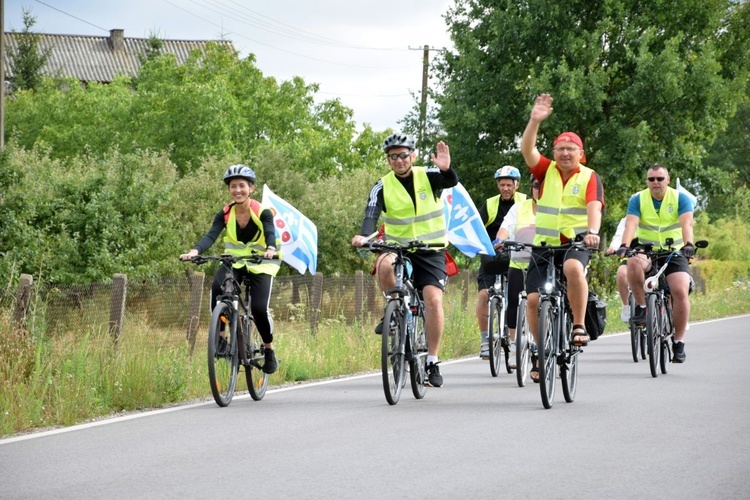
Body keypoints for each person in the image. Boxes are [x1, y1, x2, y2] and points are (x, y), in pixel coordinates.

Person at [351, 133, 457, 388]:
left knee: (432, 300)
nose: (398, 160)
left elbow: (450, 181)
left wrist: (446, 169)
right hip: (398, 247)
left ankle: (432, 359)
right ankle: (395, 307)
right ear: (387, 160)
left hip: (430, 249)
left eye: (403, 154)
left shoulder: (428, 176)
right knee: (385, 264)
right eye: (392, 156)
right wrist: (365, 236)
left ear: (413, 155)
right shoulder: (382, 185)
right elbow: (370, 213)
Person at [520, 93, 605, 383]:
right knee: (532, 299)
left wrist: (592, 233)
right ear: (554, 153)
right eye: (560, 149)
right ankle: (539, 349)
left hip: (576, 244)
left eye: (571, 149)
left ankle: (578, 325)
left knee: (572, 269)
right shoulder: (545, 171)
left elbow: (594, 208)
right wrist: (535, 120)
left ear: (581, 154)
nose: (565, 154)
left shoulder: (590, 176)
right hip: (543, 245)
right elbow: (527, 149)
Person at [180, 165, 280, 374]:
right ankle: (221, 337)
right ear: (229, 190)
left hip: (262, 261)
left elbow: (270, 231)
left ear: (251, 189)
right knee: (218, 289)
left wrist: (270, 248)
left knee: (259, 308)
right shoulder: (225, 214)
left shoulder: (262, 211)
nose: (238, 190)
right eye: (233, 186)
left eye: (242, 186)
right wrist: (195, 250)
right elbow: (211, 235)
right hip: (235, 261)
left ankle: (269, 349)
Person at [616, 164, 694, 363]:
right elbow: (631, 223)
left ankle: (678, 342)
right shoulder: (638, 199)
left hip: (673, 252)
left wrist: (688, 245)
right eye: (651, 179)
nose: (656, 183)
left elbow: (687, 224)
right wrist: (625, 244)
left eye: (660, 179)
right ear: (647, 182)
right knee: (632, 263)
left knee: (680, 290)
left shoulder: (680, 198)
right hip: (648, 250)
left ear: (668, 179)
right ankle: (642, 307)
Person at [476, 166, 527, 359]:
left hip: (518, 253)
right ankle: (485, 341)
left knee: (522, 295)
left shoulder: (525, 202)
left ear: (517, 185)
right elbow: (478, 226)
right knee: (483, 295)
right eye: (502, 184)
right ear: (497, 185)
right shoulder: (489, 204)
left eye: (509, 185)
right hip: (493, 253)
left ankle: (521, 330)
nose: (505, 188)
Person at [496, 175, 539, 368]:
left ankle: (545, 341)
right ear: (531, 188)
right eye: (536, 186)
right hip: (519, 262)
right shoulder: (519, 207)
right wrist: (500, 240)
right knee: (513, 301)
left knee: (545, 300)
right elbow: (506, 227)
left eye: (543, 186)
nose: (539, 189)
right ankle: (514, 346)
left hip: (544, 263)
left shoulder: (556, 207)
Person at [606, 217, 634, 323]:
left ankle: (675, 313)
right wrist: (613, 247)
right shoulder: (627, 219)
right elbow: (619, 236)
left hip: (655, 255)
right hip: (632, 255)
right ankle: (626, 306)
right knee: (622, 274)